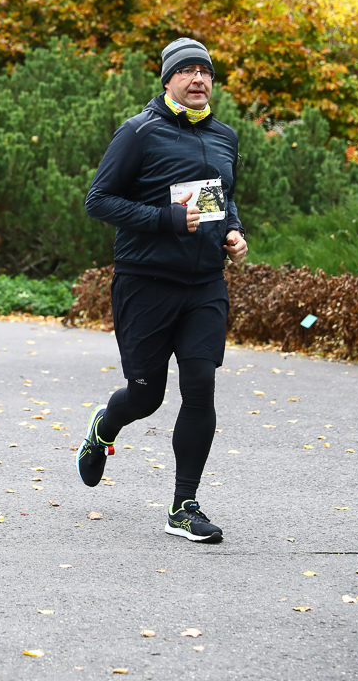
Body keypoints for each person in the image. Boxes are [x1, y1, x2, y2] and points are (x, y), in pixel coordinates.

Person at [79, 37, 248, 543]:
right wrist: (165, 218)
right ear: (168, 79)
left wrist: (234, 233)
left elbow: (225, 200)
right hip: (145, 283)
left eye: (206, 72)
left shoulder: (225, 136)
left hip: (204, 285)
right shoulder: (139, 131)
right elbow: (98, 200)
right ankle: (104, 427)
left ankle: (184, 505)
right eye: (188, 71)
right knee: (146, 396)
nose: (199, 80)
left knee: (201, 384)